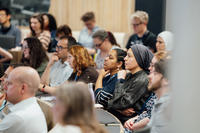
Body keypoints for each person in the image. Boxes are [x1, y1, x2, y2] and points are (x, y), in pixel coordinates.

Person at [107, 44, 153, 124]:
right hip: (118, 117)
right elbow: (112, 101)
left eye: (129, 56)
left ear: (139, 59)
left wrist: (120, 80)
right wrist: (120, 110)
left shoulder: (142, 79)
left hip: (128, 122)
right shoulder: (128, 75)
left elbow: (121, 103)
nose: (125, 59)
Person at [123, 51, 167, 132]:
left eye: (154, 68)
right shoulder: (157, 99)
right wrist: (135, 119)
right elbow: (148, 114)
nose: (149, 70)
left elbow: (121, 103)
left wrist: (120, 80)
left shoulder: (167, 107)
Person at [0, 66, 47, 133]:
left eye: (9, 84)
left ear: (23, 88)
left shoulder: (17, 117)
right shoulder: (31, 106)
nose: (5, 87)